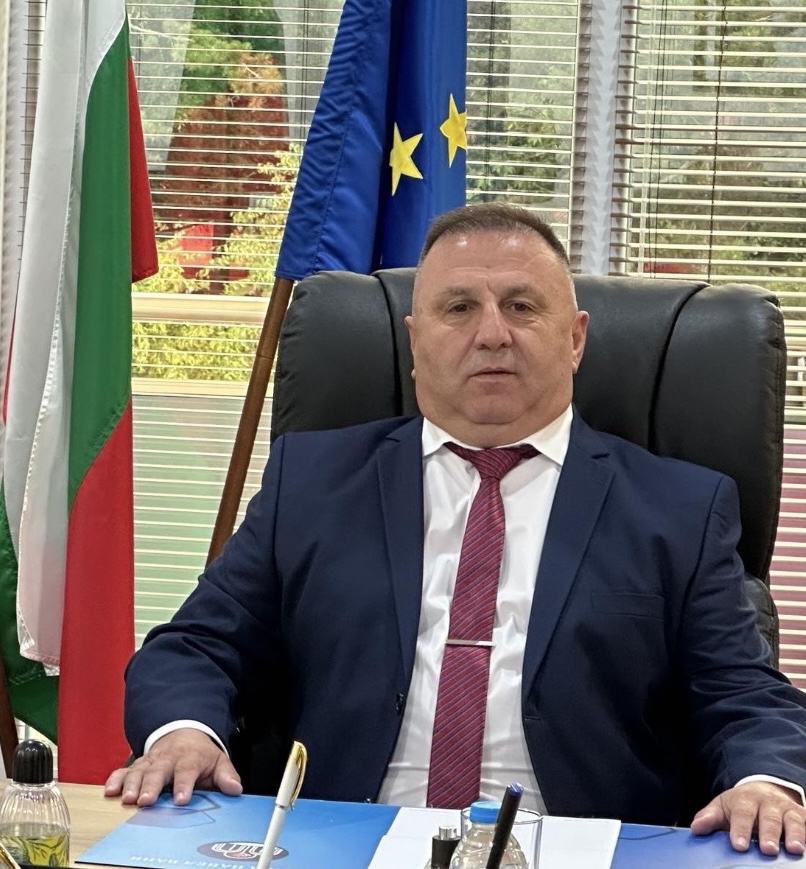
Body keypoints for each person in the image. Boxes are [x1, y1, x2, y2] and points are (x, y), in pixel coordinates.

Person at [106, 202, 806, 856]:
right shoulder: (312, 483)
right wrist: (185, 733)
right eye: (459, 307)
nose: (492, 333)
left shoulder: (679, 508)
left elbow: (743, 694)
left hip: (582, 850)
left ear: (575, 338)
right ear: (416, 340)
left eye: (522, 306)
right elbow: (197, 646)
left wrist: (764, 782)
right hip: (340, 842)